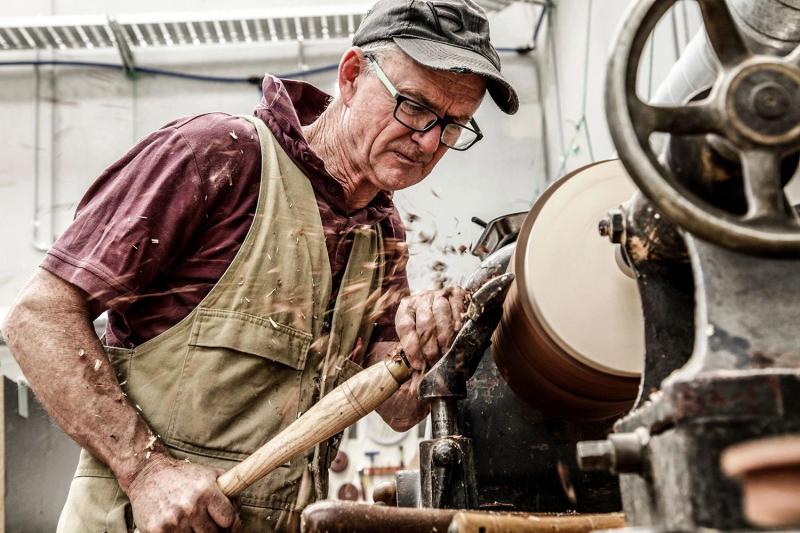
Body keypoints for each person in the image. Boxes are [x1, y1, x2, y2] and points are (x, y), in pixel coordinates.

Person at [3, 0, 518, 530]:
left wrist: (433, 342)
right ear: (351, 77)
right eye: (413, 106)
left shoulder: (381, 232)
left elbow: (400, 408)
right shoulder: (218, 157)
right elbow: (38, 317)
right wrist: (146, 469)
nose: (430, 141)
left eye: (454, 126)